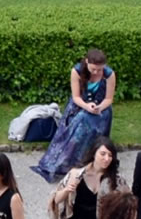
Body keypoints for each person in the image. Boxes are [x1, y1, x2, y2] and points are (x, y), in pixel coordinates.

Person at [33, 47, 116, 182]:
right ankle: (69, 160)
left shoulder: (109, 74)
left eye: (99, 69)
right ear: (87, 62)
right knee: (83, 119)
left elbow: (108, 99)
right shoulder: (76, 71)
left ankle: (89, 158)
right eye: (93, 69)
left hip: (101, 108)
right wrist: (87, 107)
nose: (96, 72)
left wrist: (99, 107)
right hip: (80, 106)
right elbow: (76, 97)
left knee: (89, 120)